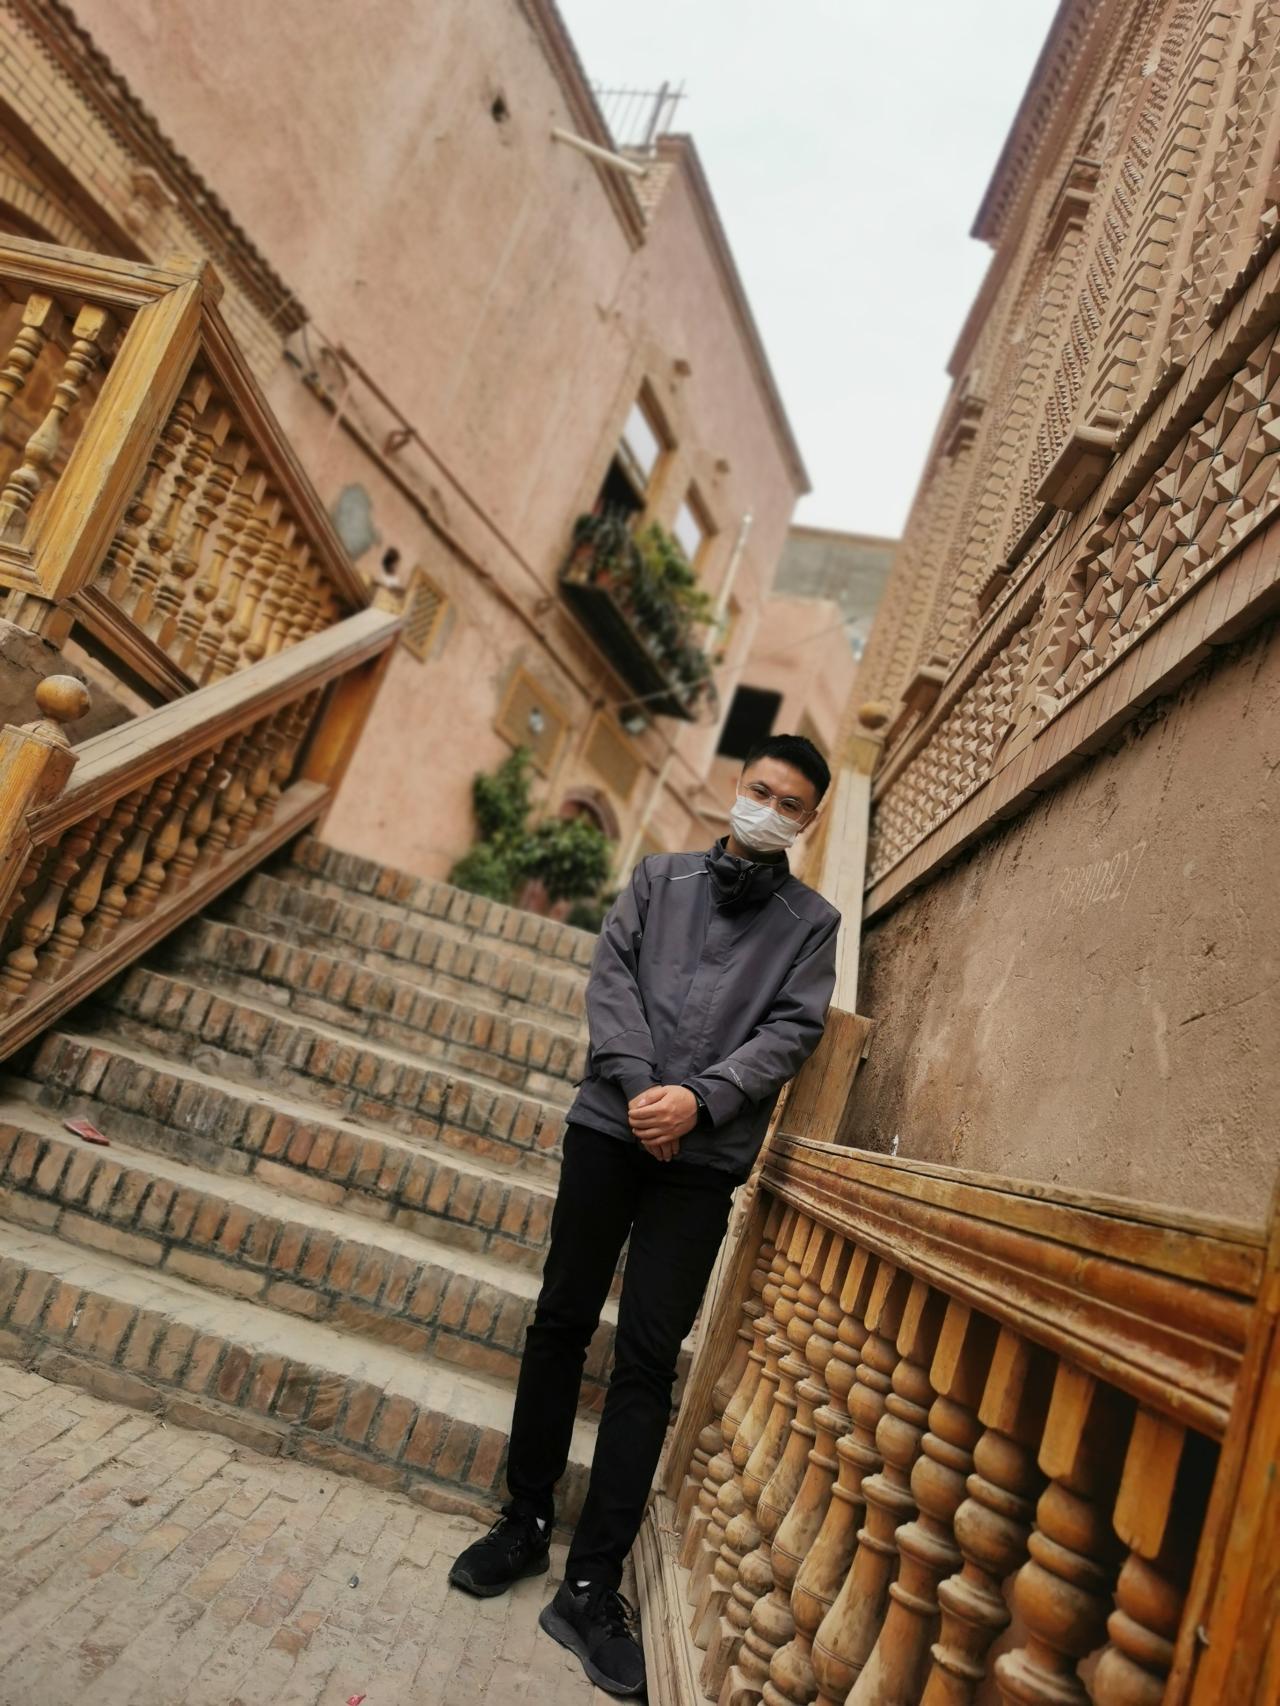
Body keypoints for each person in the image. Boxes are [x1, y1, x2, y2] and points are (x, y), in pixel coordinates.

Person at [449, 733, 840, 1697]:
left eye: (790, 803)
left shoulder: (811, 923)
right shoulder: (660, 880)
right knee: (560, 1320)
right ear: (736, 785)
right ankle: (523, 1521)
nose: (768, 809)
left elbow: (791, 1030)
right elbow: (613, 981)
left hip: (700, 1163)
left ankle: (590, 1585)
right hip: (608, 1126)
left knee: (646, 1361)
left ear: (810, 820)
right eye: (760, 789)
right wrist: (639, 1091)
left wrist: (699, 1101)